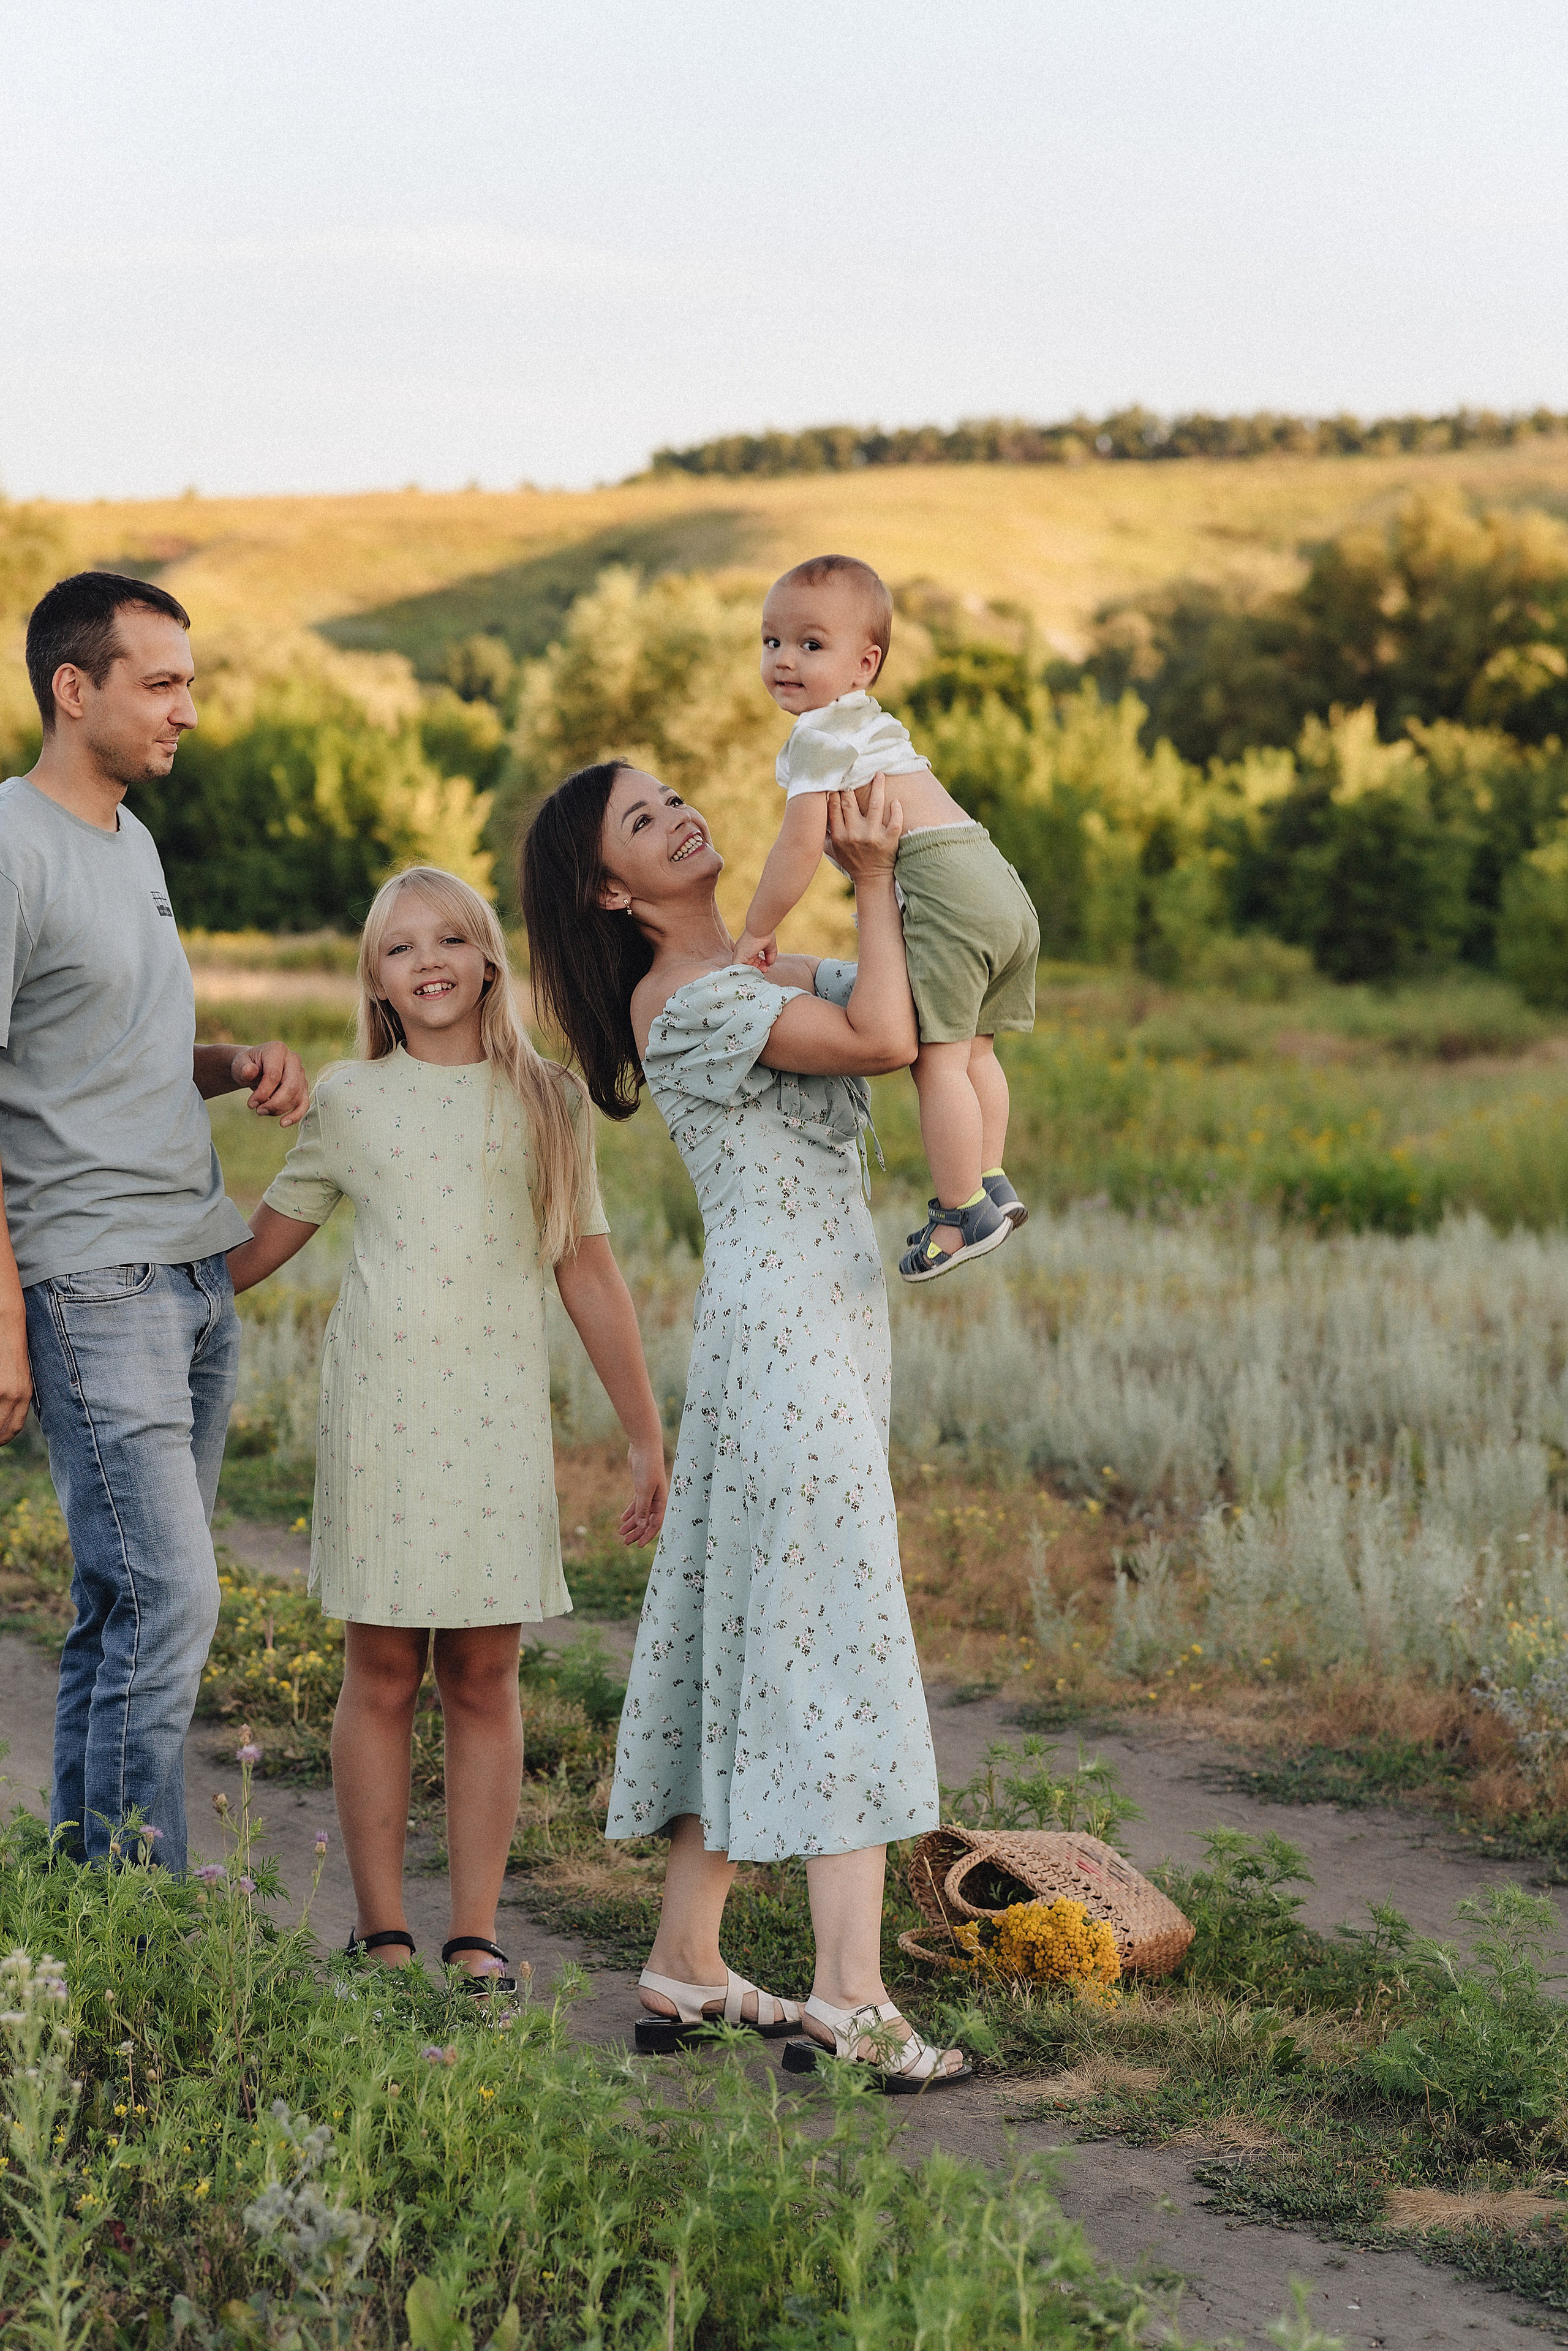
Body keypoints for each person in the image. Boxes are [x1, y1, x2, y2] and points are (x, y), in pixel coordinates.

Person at [521, 761, 970, 2088]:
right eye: (643, 822)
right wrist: (872, 876)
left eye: (673, 795)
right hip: (786, 1345)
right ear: (611, 891)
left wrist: (902, 840)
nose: (680, 816)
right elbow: (884, 1037)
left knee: (741, 1629)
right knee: (837, 1636)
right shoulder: (687, 1001)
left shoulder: (760, 965)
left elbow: (919, 996)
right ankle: (849, 1994)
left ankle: (687, 1961)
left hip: (806, 1332)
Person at [227, 866, 668, 1984]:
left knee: (483, 1671)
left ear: (487, 960)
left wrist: (645, 1433)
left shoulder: (548, 1101)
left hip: (493, 1420)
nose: (426, 960)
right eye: (398, 948)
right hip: (381, 1418)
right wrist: (104, 1278)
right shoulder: (346, 1097)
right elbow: (252, 1251)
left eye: (450, 939)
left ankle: (473, 1933)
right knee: (380, 1668)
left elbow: (590, 1272)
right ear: (374, 980)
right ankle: (384, 1932)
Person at [0, 571, 308, 1873]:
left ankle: (92, 1905)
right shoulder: (10, 844)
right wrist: (6, 1324)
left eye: (191, 679)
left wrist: (230, 1063)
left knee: (121, 1603)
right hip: (91, 1280)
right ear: (77, 689)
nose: (190, 708)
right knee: (172, 1596)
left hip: (190, 1273)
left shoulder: (130, 839)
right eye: (162, 682)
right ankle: (146, 1913)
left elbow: (119, 1046)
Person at [734, 554, 1040, 1282]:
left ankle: (960, 1212)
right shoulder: (869, 723)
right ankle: (990, 1178)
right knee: (974, 1053)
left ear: (865, 663)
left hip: (945, 891)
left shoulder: (820, 734)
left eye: (812, 645)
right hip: (994, 882)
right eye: (771, 641)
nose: (784, 660)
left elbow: (799, 844)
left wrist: (755, 927)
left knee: (935, 1059)